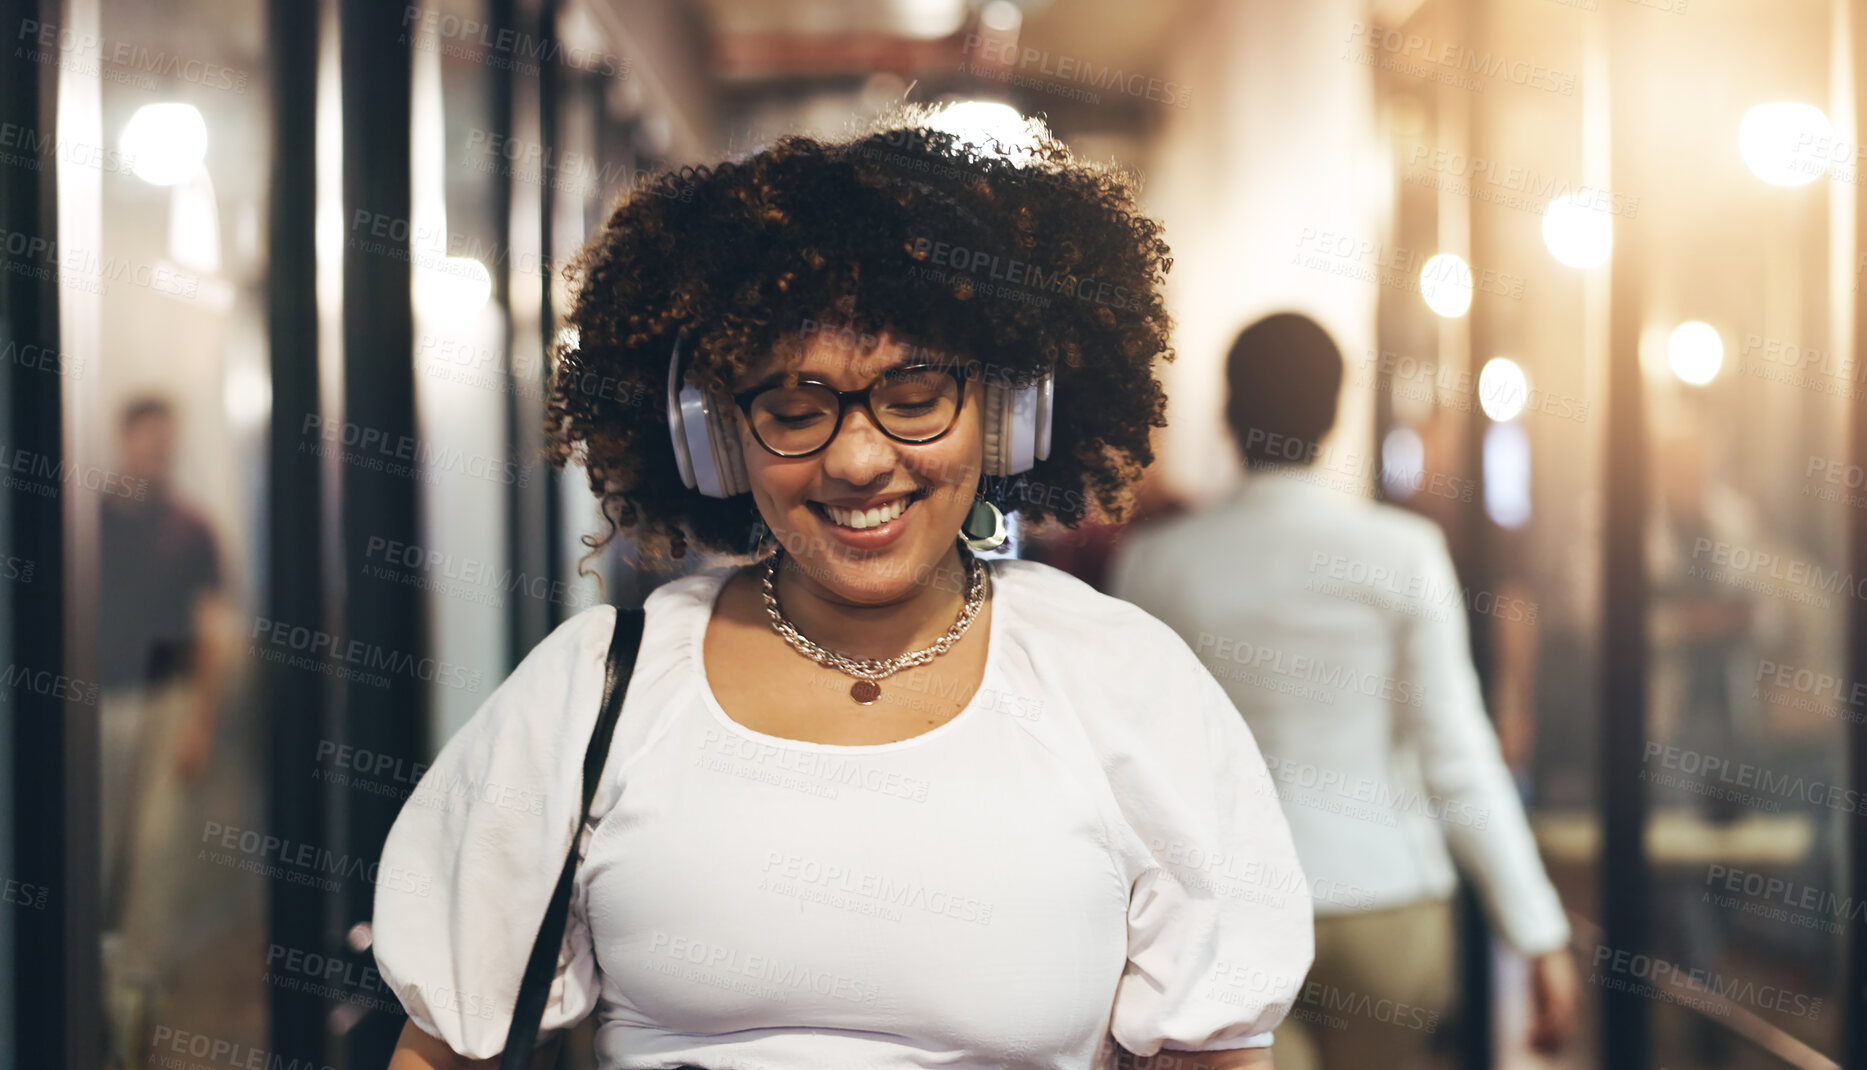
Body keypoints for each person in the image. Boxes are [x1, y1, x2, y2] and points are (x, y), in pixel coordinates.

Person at [373, 105, 1313, 1070]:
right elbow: (440, 1049)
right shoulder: (597, 689)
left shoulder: (1125, 682)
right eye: (793, 409)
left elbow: (1214, 1052)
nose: (860, 459)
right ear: (713, 439)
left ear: (1007, 415)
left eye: (913, 399)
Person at [1106, 314, 1578, 1070]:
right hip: (1386, 901)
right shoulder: (1403, 552)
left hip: (1228, 911)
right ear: (1334, 414)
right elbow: (1456, 753)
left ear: (1229, 412)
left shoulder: (1156, 563)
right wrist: (1537, 931)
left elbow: (1132, 762)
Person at [96, 394, 232, 1069]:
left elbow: (211, 627)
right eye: (144, 439)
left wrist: (200, 721)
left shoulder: (191, 528)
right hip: (96, 705)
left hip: (167, 702)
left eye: (164, 441)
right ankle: (90, 1000)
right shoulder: (87, 520)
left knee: (155, 854)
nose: (154, 451)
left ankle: (135, 1011)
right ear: (124, 440)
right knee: (95, 854)